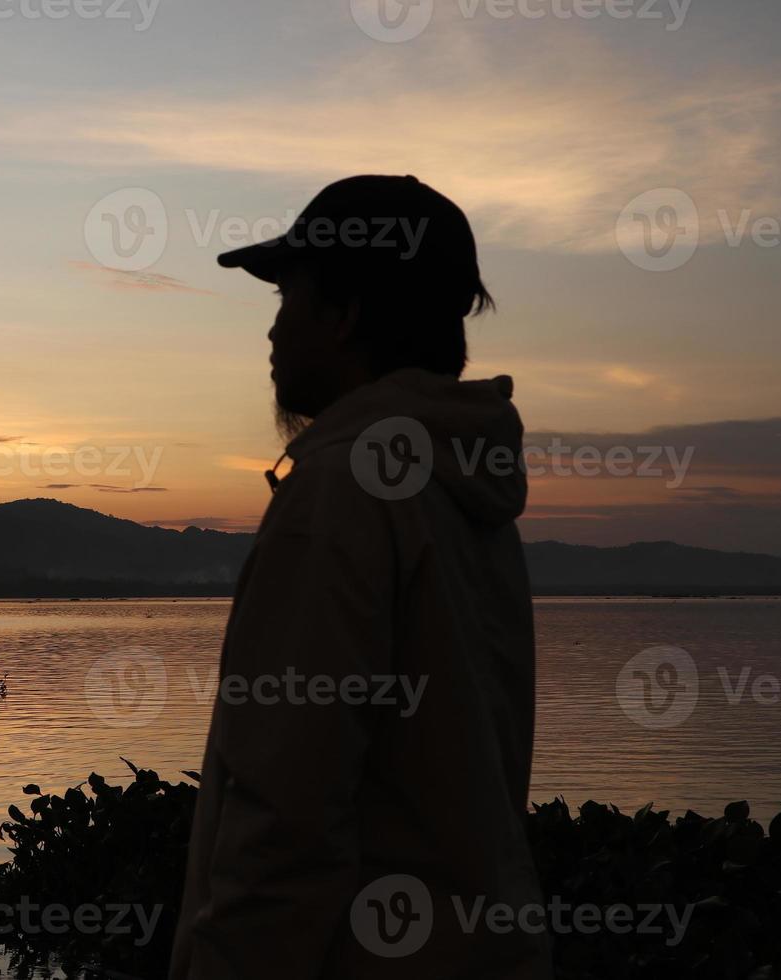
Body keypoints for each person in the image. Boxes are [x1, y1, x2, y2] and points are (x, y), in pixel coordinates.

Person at [168, 176, 551, 979]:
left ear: (345, 316)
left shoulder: (340, 494)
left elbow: (285, 828)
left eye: (288, 296)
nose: (273, 329)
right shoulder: (463, 495)